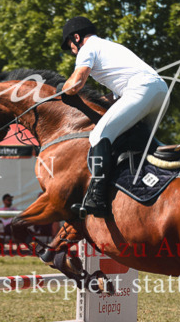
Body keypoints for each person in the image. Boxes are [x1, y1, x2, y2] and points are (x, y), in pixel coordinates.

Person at [60, 16, 168, 217]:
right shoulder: (111, 48)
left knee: (99, 135)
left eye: (70, 45)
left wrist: (62, 90)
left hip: (141, 89)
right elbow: (112, 99)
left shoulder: (87, 48)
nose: (72, 50)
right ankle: (154, 181)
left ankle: (97, 197)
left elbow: (75, 84)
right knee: (137, 141)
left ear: (76, 37)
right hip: (160, 91)